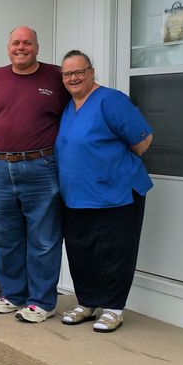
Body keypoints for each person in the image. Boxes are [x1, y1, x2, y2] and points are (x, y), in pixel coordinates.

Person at [0, 26, 70, 323]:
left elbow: (80, 109)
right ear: (8, 47)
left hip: (41, 167)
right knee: (5, 236)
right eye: (16, 42)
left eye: (27, 42)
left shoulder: (56, 77)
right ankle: (13, 295)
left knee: (43, 238)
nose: (21, 47)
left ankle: (42, 301)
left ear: (37, 47)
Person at [55, 51, 153, 333]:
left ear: (91, 71)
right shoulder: (69, 106)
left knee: (115, 251)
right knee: (81, 249)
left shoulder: (111, 100)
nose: (73, 78)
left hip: (117, 192)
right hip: (75, 195)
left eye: (79, 72)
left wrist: (110, 166)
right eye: (67, 74)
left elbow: (143, 141)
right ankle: (87, 303)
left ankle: (113, 308)